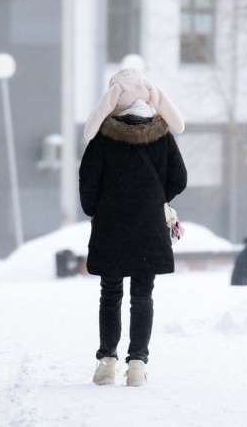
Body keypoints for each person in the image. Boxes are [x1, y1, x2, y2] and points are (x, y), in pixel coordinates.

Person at [79, 67, 187, 387]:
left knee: (110, 293)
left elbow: (88, 181)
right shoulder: (162, 136)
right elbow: (179, 178)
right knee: (143, 294)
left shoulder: (103, 138)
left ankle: (106, 363)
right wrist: (155, 200)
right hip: (149, 227)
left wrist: (96, 210)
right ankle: (137, 364)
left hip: (111, 225)